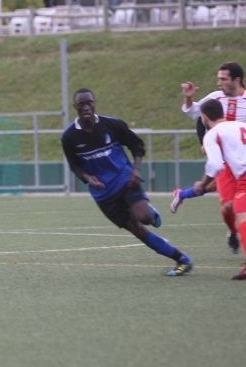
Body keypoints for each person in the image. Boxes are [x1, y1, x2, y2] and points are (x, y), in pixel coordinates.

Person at [61, 88, 193, 277]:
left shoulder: (112, 125)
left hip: (125, 180)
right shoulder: (69, 137)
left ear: (94, 103)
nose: (86, 107)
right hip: (103, 194)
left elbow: (137, 145)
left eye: (89, 102)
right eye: (81, 104)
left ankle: (150, 213)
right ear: (75, 106)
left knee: (144, 218)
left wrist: (135, 170)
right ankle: (182, 260)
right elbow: (74, 165)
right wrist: (88, 178)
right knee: (138, 230)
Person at [170, 62, 246, 254]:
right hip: (227, 159)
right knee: (227, 206)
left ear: (237, 80)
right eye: (218, 79)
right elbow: (195, 112)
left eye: (223, 79)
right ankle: (234, 231)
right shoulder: (215, 98)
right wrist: (189, 98)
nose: (219, 83)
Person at [188, 100, 246, 280]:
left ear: (204, 117)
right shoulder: (244, 126)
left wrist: (203, 183)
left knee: (244, 217)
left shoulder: (212, 134)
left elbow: (215, 164)